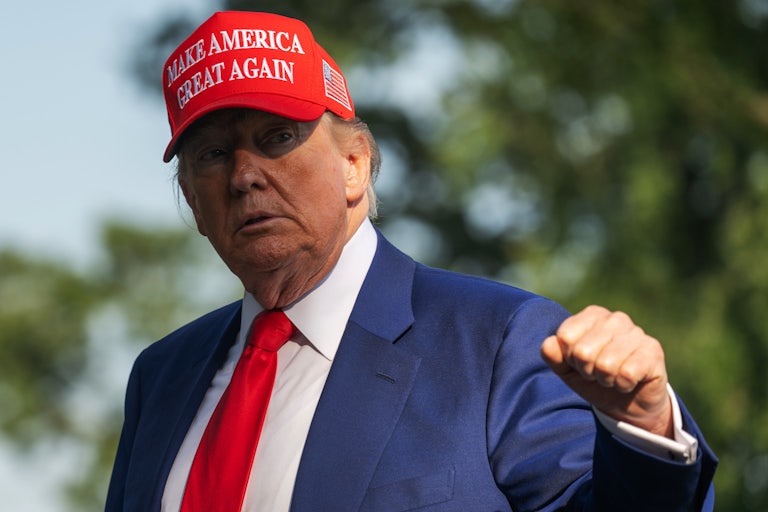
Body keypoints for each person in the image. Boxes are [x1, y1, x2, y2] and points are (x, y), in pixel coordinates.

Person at [105, 11, 717, 512]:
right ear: (190, 196)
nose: (244, 176)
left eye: (278, 138)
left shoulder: (498, 341)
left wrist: (644, 429)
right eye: (212, 154)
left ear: (355, 165)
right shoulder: (161, 377)